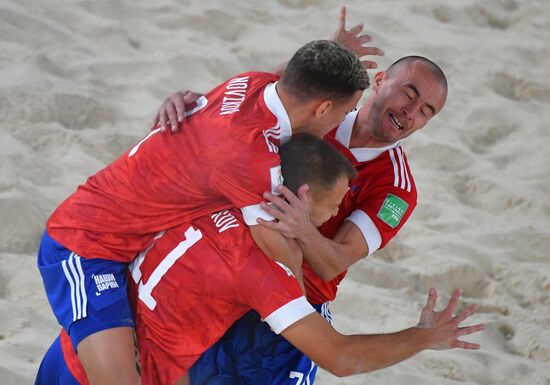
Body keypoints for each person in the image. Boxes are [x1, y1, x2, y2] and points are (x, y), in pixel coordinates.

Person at [36, 40, 368, 385]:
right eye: (345, 113)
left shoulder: (251, 81)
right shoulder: (252, 154)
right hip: (84, 244)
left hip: (125, 241)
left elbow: (292, 77)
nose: (340, 124)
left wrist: (330, 49)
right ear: (322, 107)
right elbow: (276, 252)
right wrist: (298, 306)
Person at [152, 8, 452, 385]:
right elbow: (258, 101)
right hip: (230, 271)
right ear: (379, 81)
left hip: (295, 302)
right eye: (409, 94)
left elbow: (333, 264)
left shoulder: (398, 188)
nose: (411, 113)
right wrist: (192, 105)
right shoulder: (321, 109)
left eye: (426, 112)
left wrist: (303, 229)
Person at [37, 135, 483, 385]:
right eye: (334, 204)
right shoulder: (260, 268)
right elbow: (341, 358)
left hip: (71, 353)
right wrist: (424, 337)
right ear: (303, 196)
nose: (335, 214)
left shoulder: (214, 198)